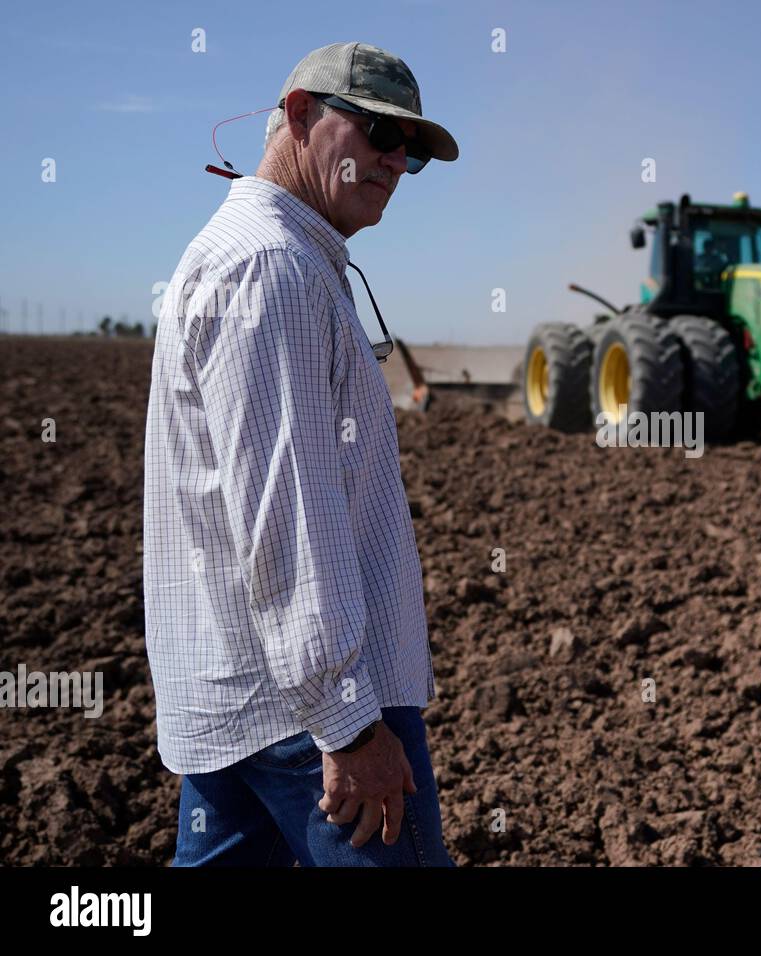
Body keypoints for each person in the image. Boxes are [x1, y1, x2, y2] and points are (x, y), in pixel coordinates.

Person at [143, 42, 459, 866]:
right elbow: (285, 515)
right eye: (380, 129)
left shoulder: (272, 257)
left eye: (412, 149)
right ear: (296, 115)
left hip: (241, 698)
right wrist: (351, 724)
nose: (396, 157)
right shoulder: (272, 270)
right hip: (309, 720)